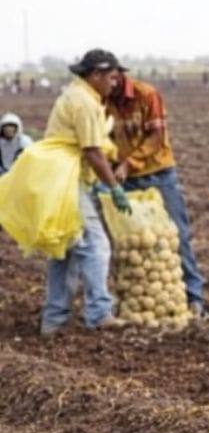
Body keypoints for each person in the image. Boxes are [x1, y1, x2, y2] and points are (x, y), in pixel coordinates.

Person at [41, 49, 133, 335]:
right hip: (69, 182)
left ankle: (54, 320)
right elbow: (92, 151)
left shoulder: (78, 95)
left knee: (65, 251)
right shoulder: (83, 102)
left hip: (59, 179)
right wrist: (115, 188)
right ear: (95, 75)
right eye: (112, 78)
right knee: (96, 245)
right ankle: (100, 313)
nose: (115, 84)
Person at [107, 69, 209, 316]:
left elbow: (156, 137)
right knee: (130, 241)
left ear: (119, 76)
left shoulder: (146, 94)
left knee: (177, 233)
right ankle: (137, 299)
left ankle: (194, 297)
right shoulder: (103, 100)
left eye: (110, 79)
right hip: (126, 179)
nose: (107, 85)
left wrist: (128, 163)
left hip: (158, 174)